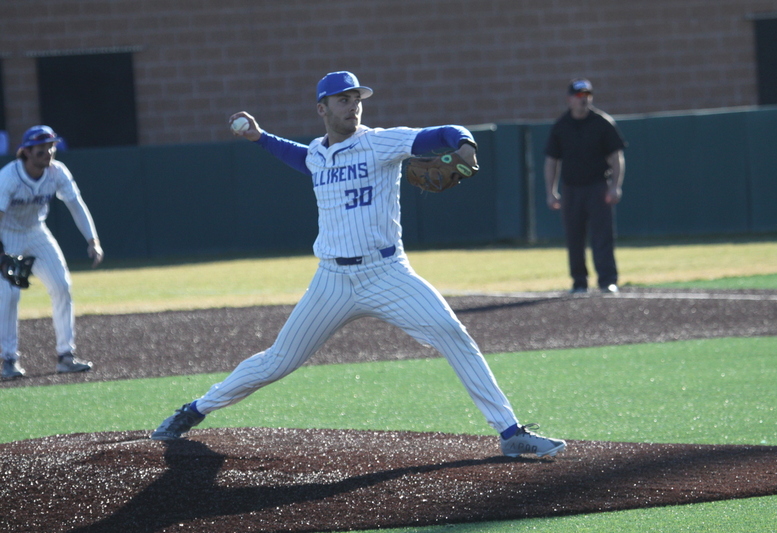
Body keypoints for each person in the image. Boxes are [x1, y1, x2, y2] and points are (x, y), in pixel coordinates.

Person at [151, 71, 566, 458]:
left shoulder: (379, 143)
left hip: (387, 273)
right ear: (322, 109)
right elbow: (298, 156)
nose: (353, 106)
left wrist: (466, 146)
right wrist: (260, 137)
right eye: (343, 100)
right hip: (332, 280)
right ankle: (195, 409)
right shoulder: (317, 154)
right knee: (278, 360)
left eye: (357, 99)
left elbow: (444, 133)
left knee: (450, 332)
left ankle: (511, 434)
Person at [0, 125, 104, 379]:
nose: (48, 152)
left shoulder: (57, 172)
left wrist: (92, 239)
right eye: (41, 149)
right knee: (9, 295)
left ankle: (65, 356)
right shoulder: (9, 177)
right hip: (6, 234)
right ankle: (8, 360)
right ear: (25, 152)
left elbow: (76, 205)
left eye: (51, 146)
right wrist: (2, 256)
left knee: (61, 285)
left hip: (37, 232)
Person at [544, 78, 627, 294]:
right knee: (574, 238)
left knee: (602, 236)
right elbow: (552, 161)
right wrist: (551, 192)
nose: (584, 100)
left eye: (587, 96)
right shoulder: (561, 126)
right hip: (572, 189)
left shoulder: (602, 122)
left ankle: (607, 281)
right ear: (569, 99)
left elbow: (616, 157)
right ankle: (579, 282)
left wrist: (615, 186)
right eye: (579, 96)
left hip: (598, 187)